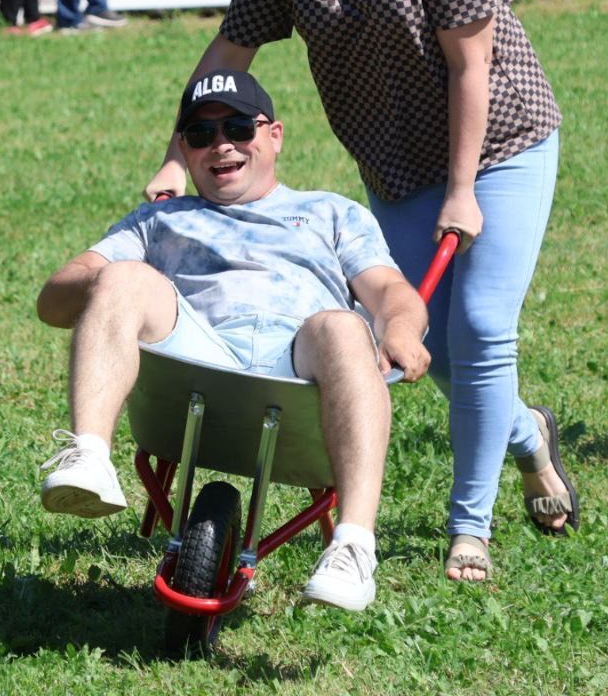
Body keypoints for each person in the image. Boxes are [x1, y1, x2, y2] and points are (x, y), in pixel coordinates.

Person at [145, 0, 579, 583]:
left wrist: (462, 188)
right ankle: (526, 436)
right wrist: (178, 152)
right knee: (426, 347)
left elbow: (470, 66)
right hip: (394, 161)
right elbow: (228, 54)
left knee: (481, 328)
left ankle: (468, 530)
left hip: (500, 145)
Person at [39, 70, 430, 612]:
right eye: (200, 135)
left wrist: (403, 329)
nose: (221, 144)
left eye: (240, 127)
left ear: (275, 135)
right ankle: (89, 456)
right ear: (183, 149)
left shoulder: (330, 212)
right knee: (125, 276)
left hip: (299, 368)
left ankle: (354, 548)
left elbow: (389, 290)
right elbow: (53, 303)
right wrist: (112, 275)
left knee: (342, 324)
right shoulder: (159, 220)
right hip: (191, 358)